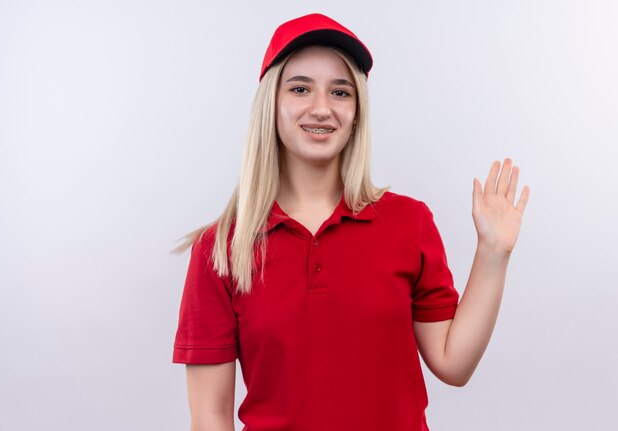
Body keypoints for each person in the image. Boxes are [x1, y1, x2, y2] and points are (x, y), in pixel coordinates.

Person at [171, 12, 530, 431]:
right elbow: (210, 417)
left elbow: (454, 364)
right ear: (271, 103)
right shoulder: (220, 249)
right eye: (300, 88)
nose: (321, 108)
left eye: (340, 92)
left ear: (357, 111)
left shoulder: (408, 222)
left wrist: (493, 254)